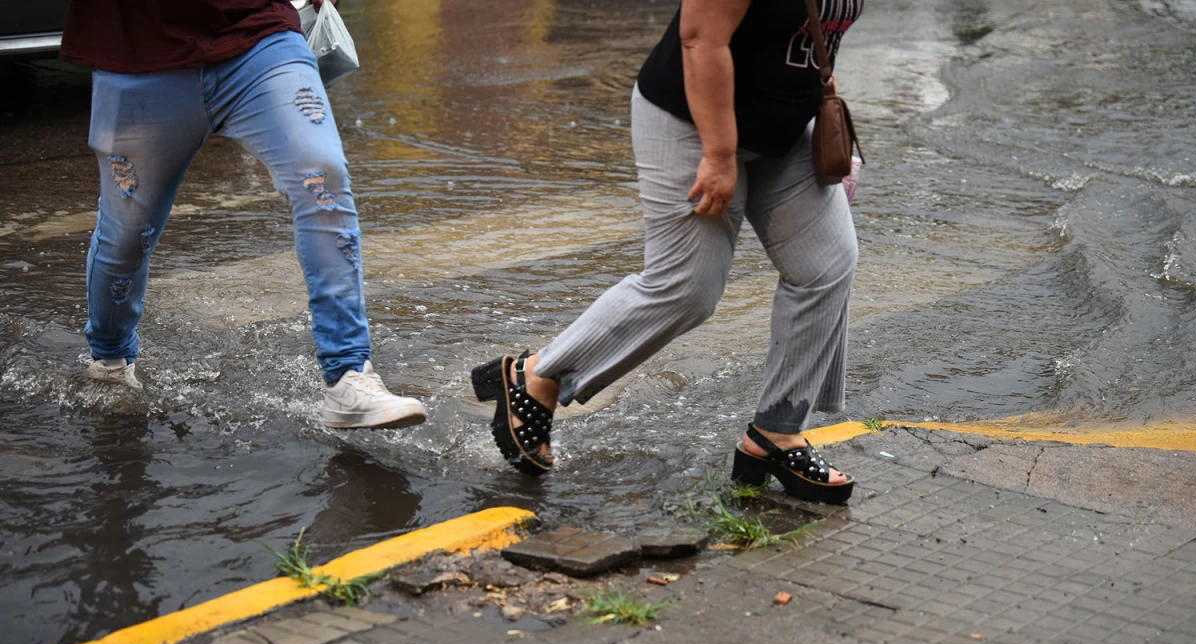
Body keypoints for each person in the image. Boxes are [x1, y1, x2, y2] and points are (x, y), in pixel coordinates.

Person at [471, 0, 862, 503]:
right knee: (688, 287)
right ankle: (535, 377)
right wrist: (720, 155)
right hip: (695, 124)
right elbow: (701, 36)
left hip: (784, 132)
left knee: (826, 265)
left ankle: (777, 432)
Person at [62, 0, 426, 430]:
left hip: (260, 33)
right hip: (137, 55)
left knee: (321, 173)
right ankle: (110, 361)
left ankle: (349, 375)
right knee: (126, 236)